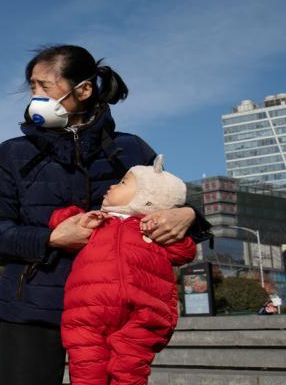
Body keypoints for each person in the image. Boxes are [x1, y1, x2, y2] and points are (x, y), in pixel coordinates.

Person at [0, 45, 212, 385]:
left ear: (83, 90)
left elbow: (168, 198)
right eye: (32, 87)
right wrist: (52, 238)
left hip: (116, 311)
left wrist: (189, 215)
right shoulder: (11, 154)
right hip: (33, 306)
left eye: (44, 86)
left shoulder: (130, 149)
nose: (35, 96)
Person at [49, 155, 196, 385]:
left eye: (123, 183)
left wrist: (164, 226)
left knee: (130, 369)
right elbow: (62, 221)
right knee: (86, 369)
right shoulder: (98, 220)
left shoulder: (153, 228)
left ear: (148, 198)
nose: (112, 186)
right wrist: (78, 217)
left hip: (145, 311)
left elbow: (184, 253)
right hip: (87, 311)